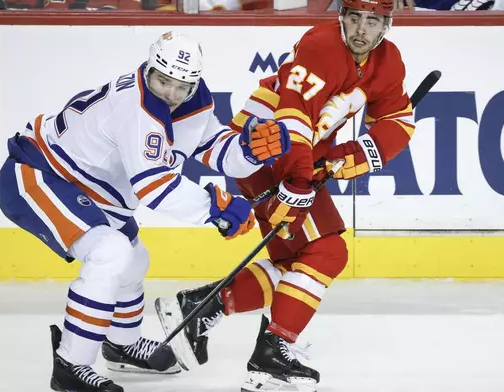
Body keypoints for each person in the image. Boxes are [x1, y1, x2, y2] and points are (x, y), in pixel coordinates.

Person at [0, 31, 290, 392]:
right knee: (110, 253)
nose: (170, 93)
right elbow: (153, 187)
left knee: (134, 261)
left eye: (181, 86)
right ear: (150, 68)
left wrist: (247, 150)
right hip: (40, 174)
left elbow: (211, 145)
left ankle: (122, 344)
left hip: (92, 188)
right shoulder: (135, 107)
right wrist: (214, 208)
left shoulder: (194, 99)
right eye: (163, 81)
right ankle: (71, 365)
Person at [155, 1, 416, 391]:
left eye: (372, 20)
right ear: (341, 17)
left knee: (297, 262)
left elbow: (398, 121)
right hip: (265, 147)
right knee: (327, 252)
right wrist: (298, 180)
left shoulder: (387, 62)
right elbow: (292, 115)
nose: (361, 29)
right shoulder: (321, 45)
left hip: (296, 153)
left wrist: (349, 156)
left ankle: (202, 308)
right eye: (354, 18)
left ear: (386, 25)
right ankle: (271, 356)